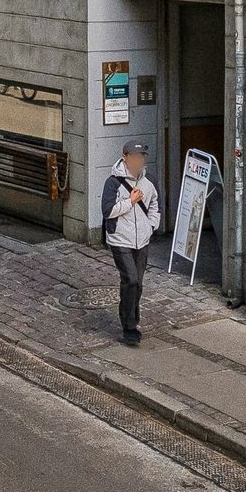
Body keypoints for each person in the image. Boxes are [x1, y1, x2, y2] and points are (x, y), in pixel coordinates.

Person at [100, 143, 163, 345]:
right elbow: (107, 211)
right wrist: (131, 201)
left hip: (142, 240)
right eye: (135, 157)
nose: (138, 161)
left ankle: (131, 321)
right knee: (131, 279)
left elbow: (155, 204)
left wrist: (151, 225)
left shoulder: (149, 180)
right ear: (125, 157)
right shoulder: (113, 182)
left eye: (141, 157)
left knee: (138, 283)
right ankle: (129, 326)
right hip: (120, 240)